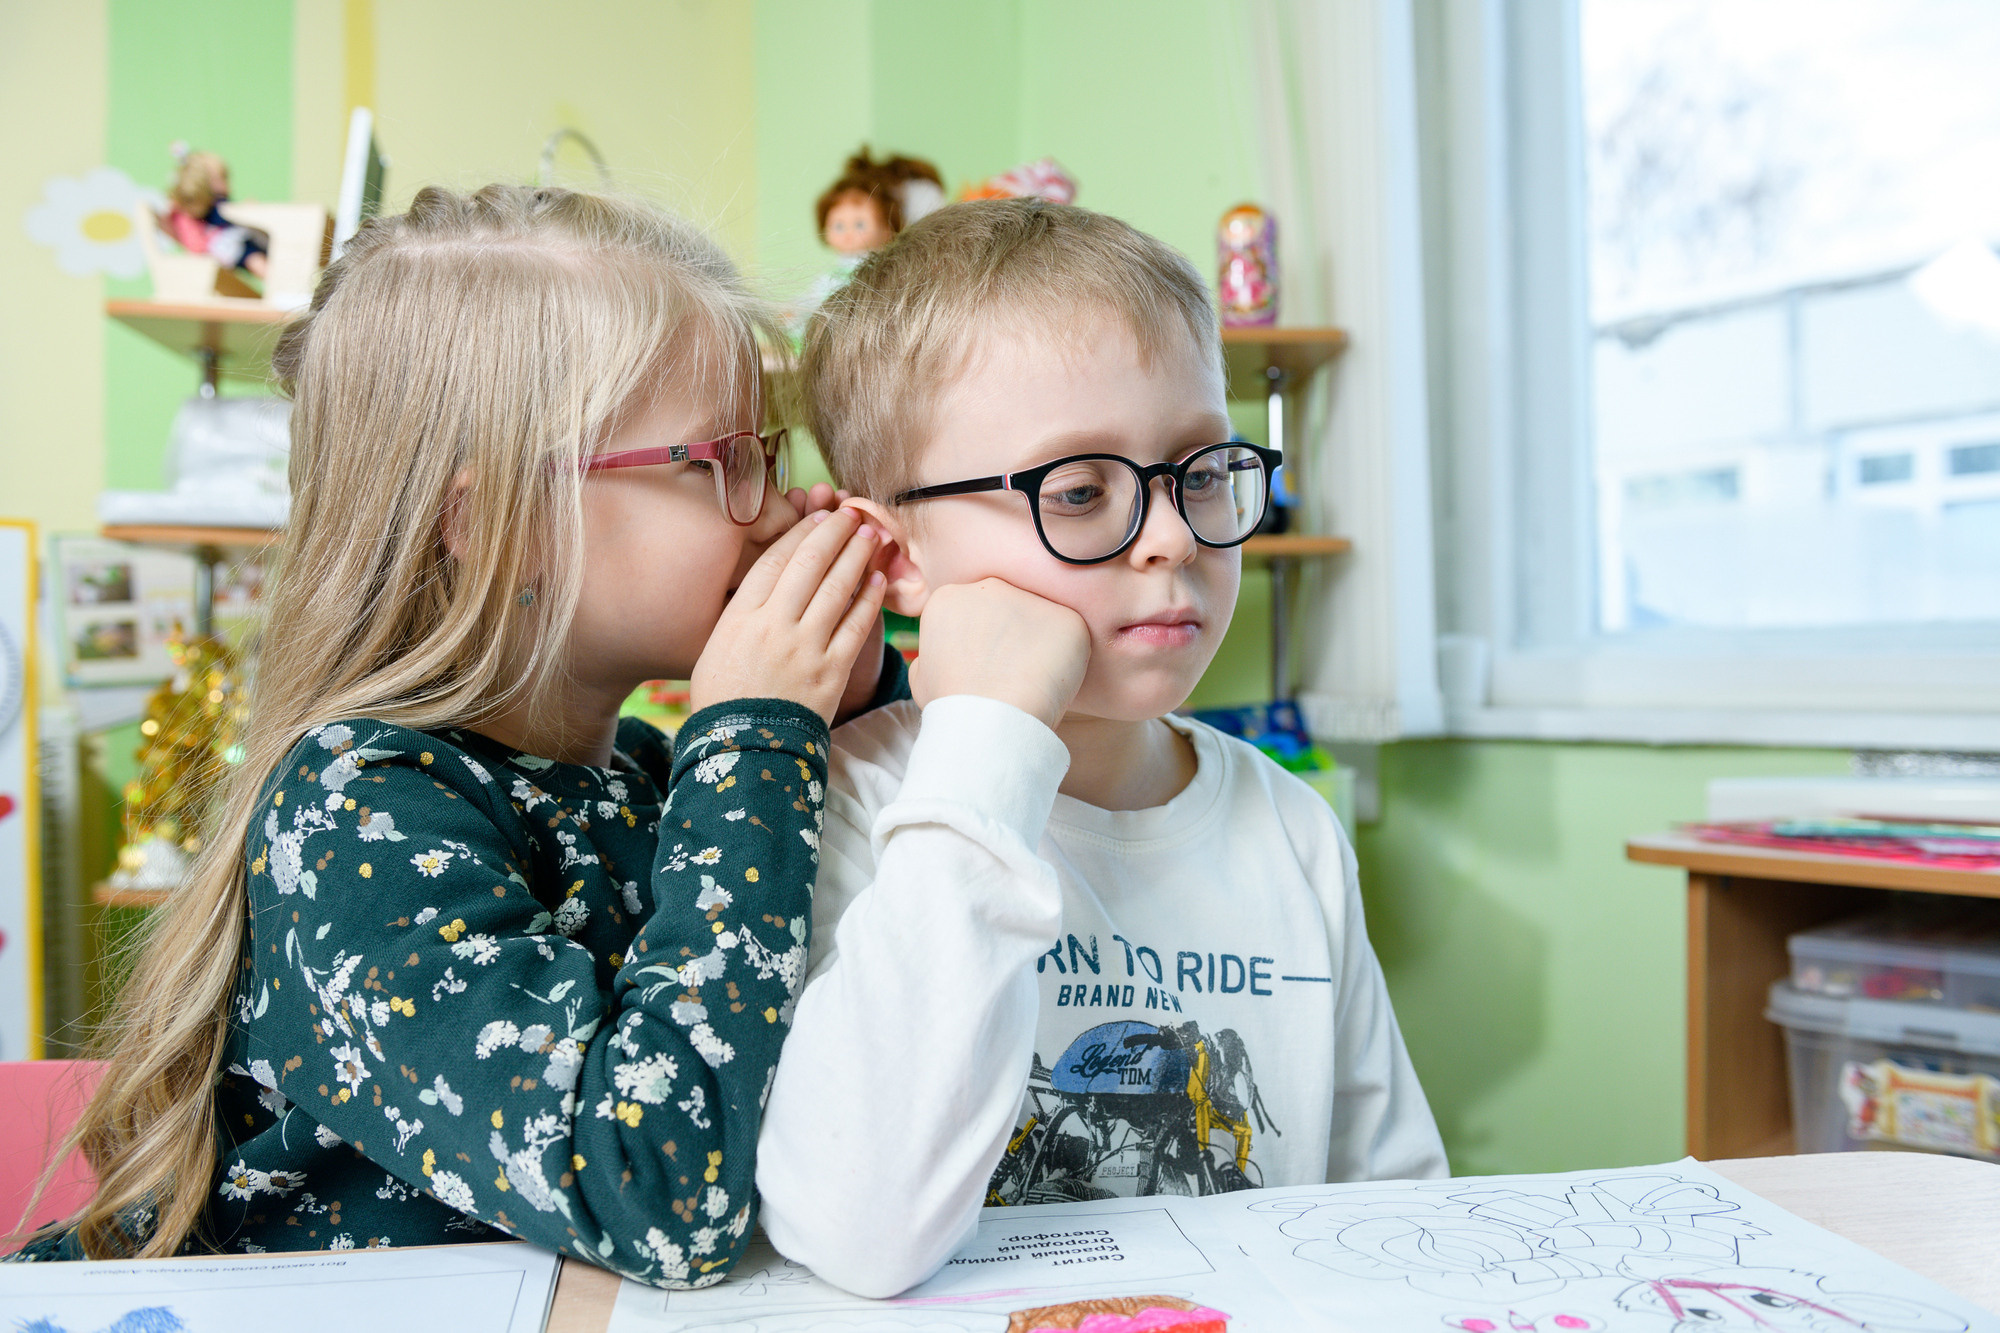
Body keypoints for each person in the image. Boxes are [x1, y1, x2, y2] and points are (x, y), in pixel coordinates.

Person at [19, 185, 896, 1287]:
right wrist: (756, 741)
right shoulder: (358, 812)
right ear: (491, 527)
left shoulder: (652, 778)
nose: (781, 508)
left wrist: (863, 716)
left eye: (767, 451)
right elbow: (658, 1194)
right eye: (720, 460)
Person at [755, 198, 1448, 1298]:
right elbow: (858, 1226)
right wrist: (989, 742)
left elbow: (1398, 1207)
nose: (1171, 536)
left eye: (1203, 470)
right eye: (1078, 491)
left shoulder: (1292, 830)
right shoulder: (847, 802)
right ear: (894, 556)